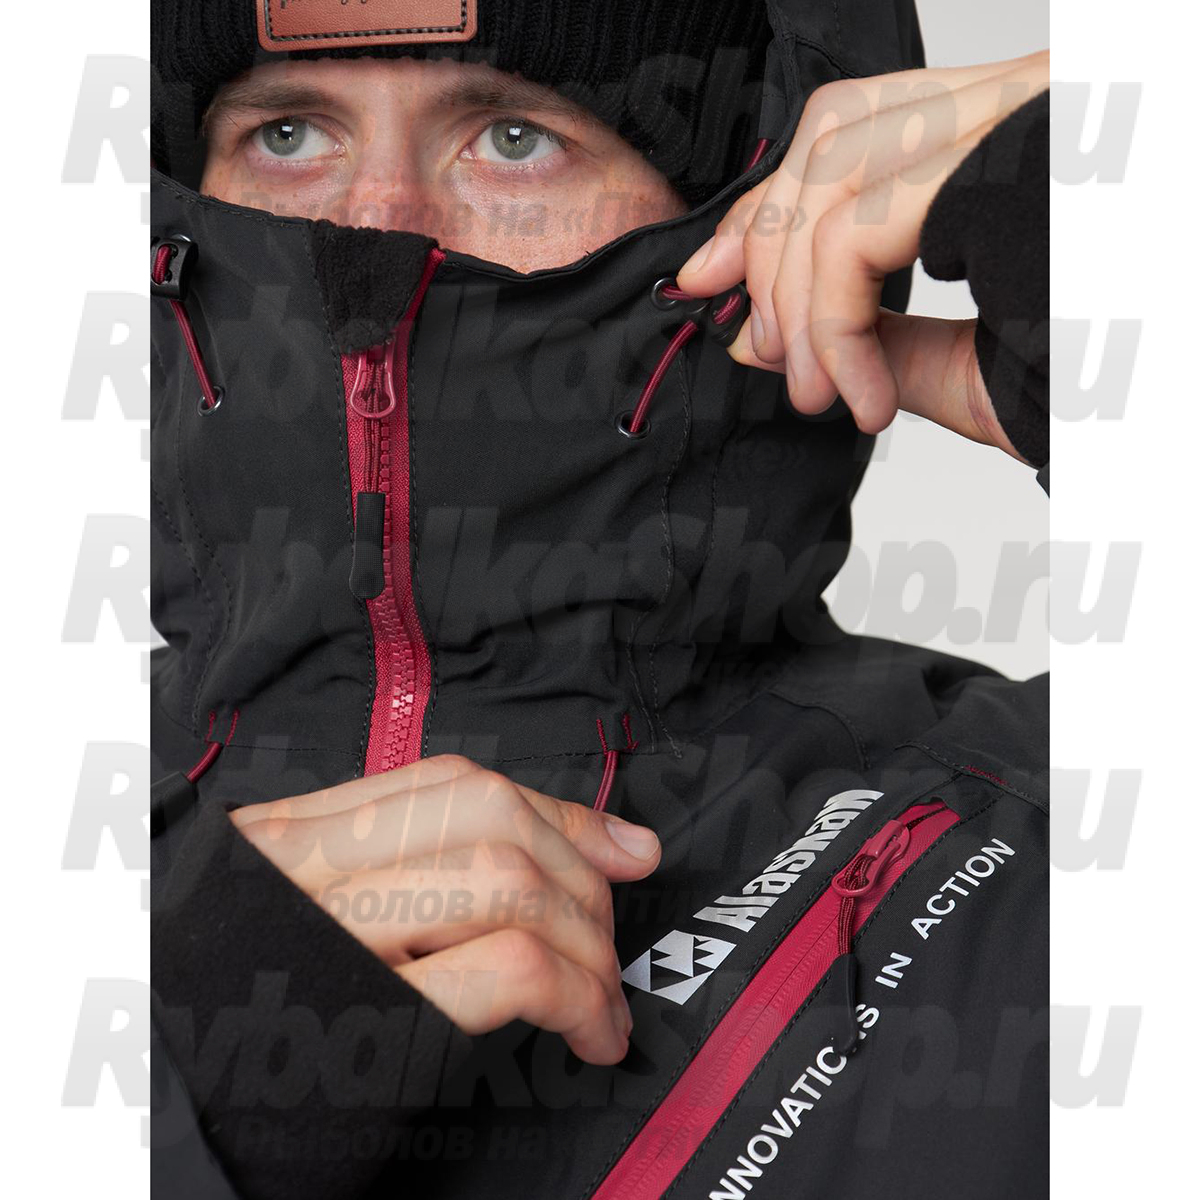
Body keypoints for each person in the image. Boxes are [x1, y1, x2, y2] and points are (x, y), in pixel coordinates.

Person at [150, 3, 1049, 1198]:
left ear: (765, 208)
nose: (370, 226)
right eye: (288, 134)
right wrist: (158, 1111)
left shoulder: (1052, 853)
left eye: (514, 137)